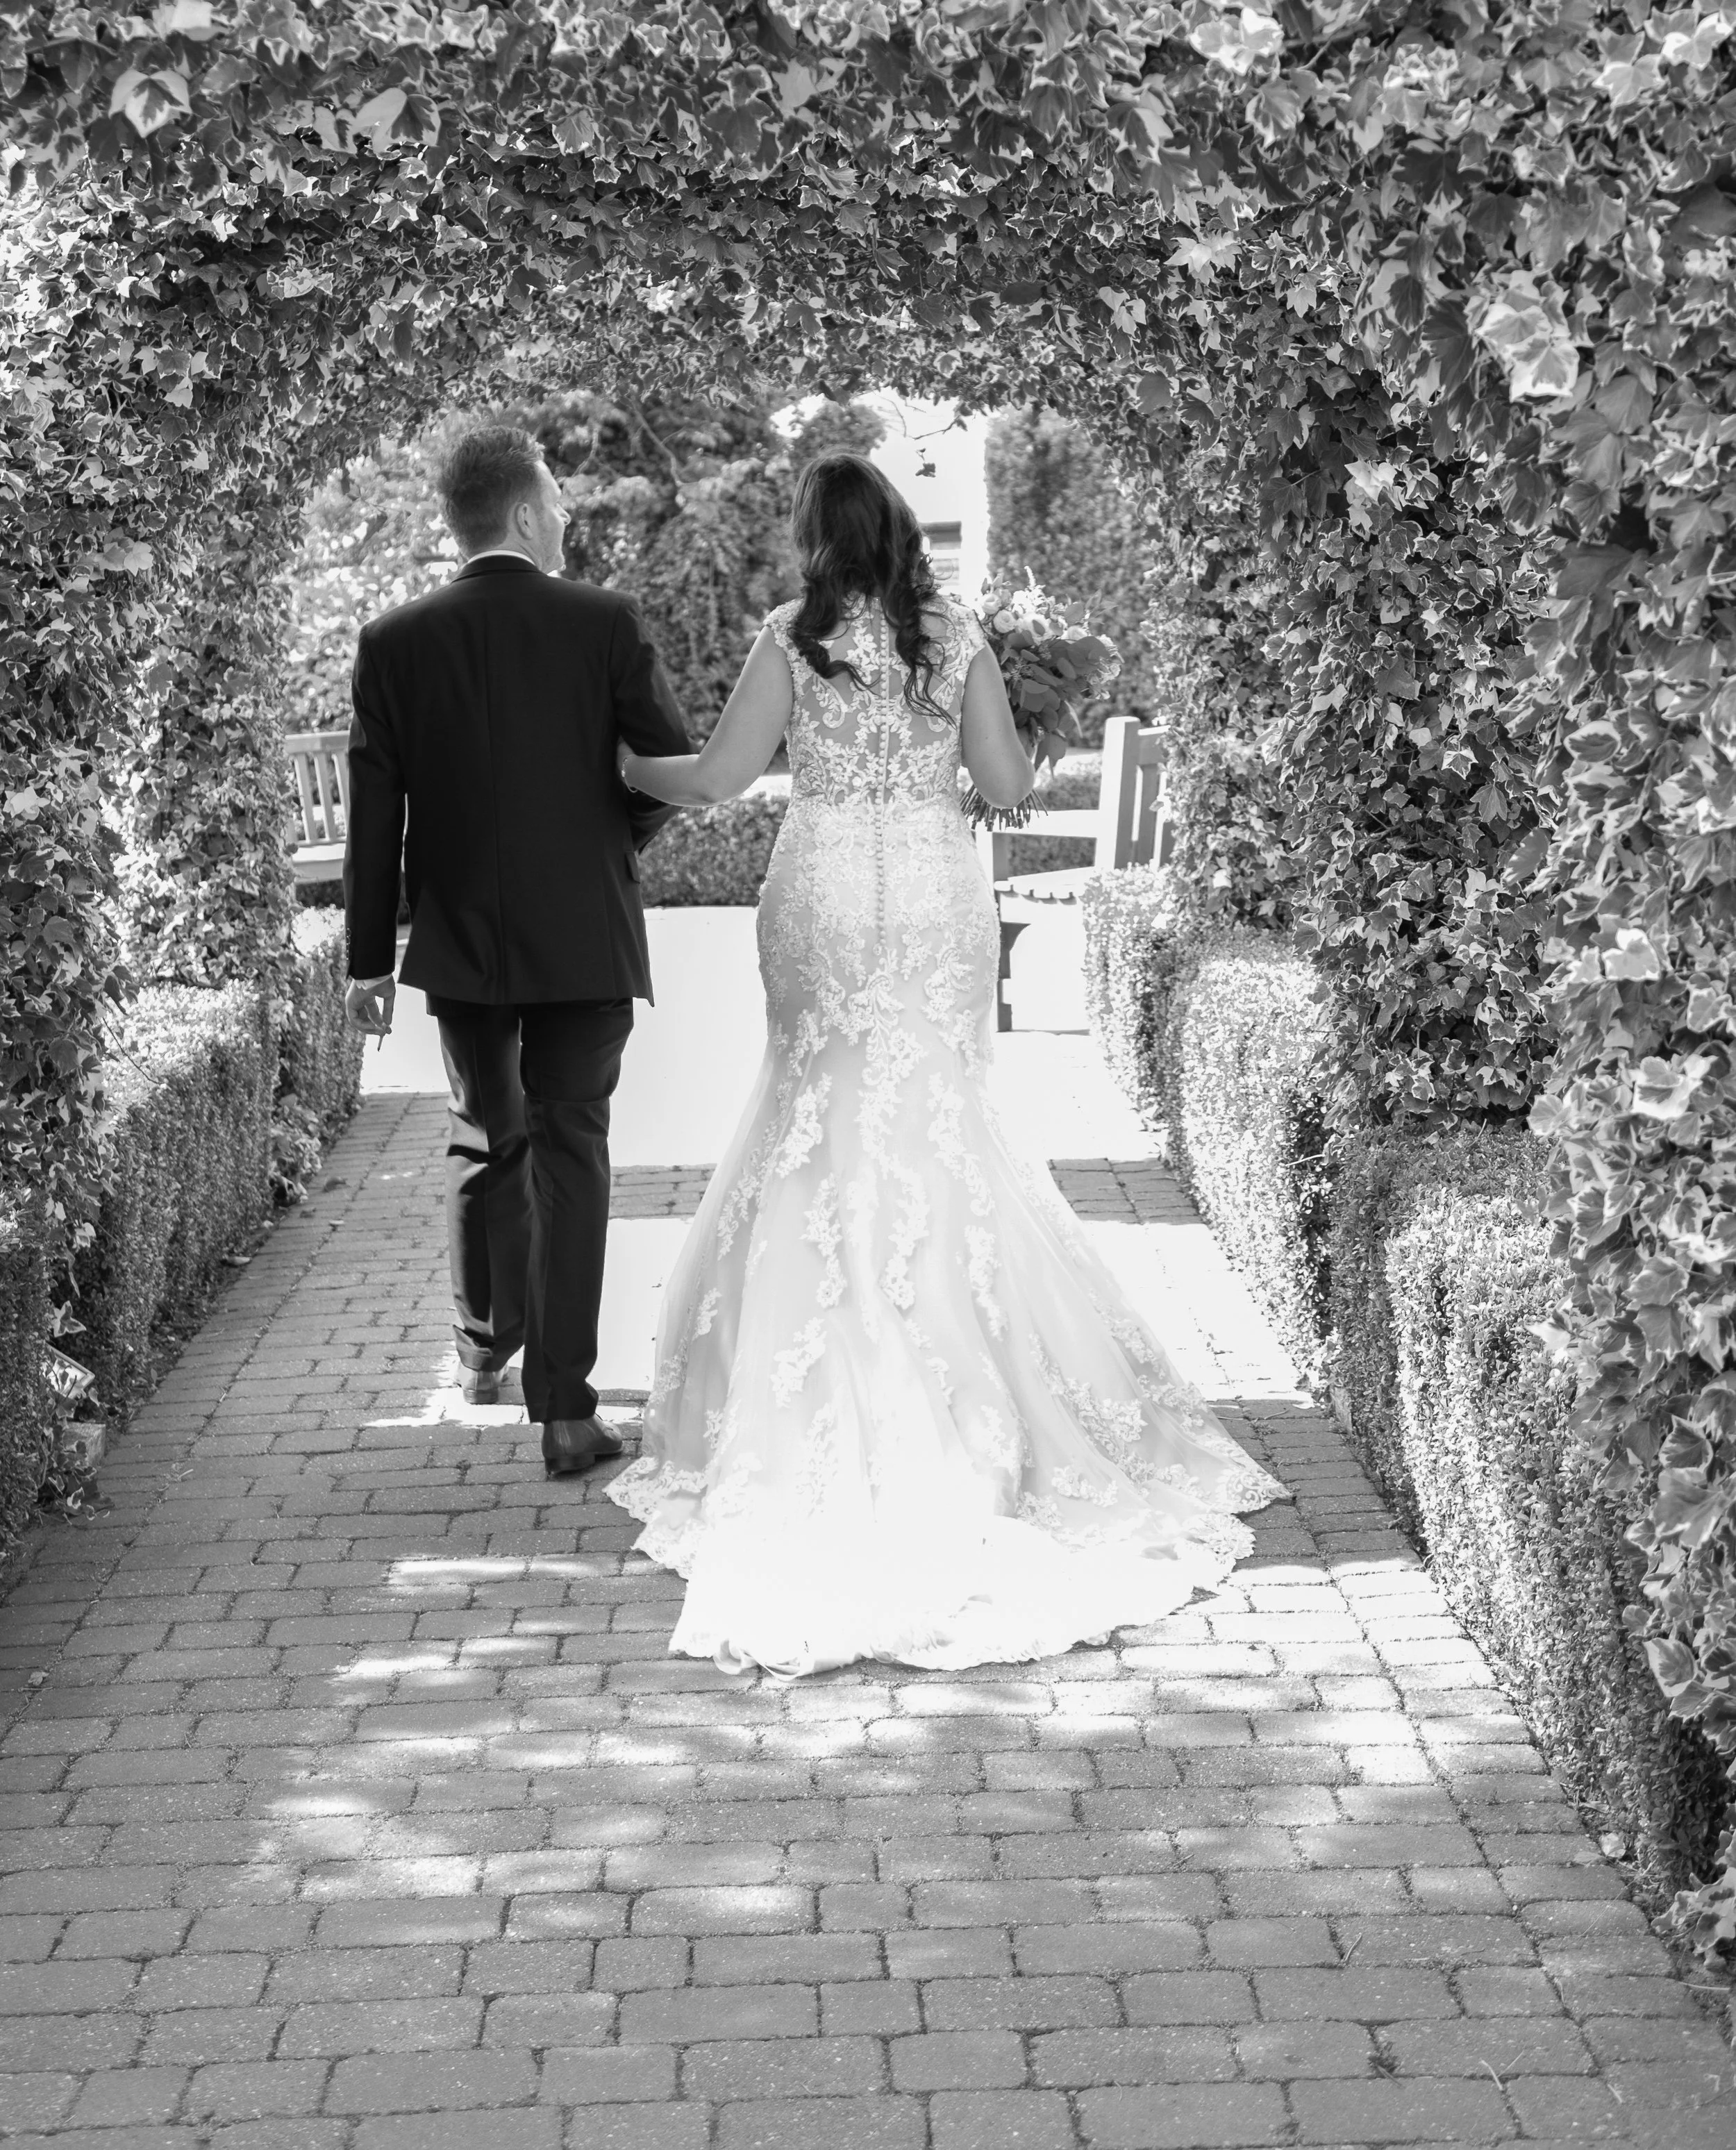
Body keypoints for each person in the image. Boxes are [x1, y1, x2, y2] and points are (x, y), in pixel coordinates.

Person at [610, 451, 1282, 1674]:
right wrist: (1022, 709)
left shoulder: (788, 639)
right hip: (929, 894)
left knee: (819, 1100)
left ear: (819, 539)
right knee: (937, 1114)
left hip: (820, 890)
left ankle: (814, 1403)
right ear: (903, 533)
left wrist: (616, 769)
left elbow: (713, 781)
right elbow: (1010, 785)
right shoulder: (956, 635)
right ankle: (992, 1399)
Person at [342, 421, 689, 1474]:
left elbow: (374, 816)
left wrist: (368, 959)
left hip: (460, 941)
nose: (570, 518)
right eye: (563, 502)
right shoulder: (604, 621)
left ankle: (483, 1349)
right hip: (583, 935)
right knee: (571, 1148)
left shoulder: (393, 641)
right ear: (530, 513)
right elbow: (669, 765)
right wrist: (604, 844)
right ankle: (568, 1410)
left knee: (484, 1138)